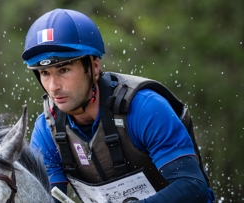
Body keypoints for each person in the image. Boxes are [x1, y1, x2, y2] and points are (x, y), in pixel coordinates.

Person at [22, 8, 215, 203]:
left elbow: (192, 187)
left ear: (94, 66)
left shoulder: (145, 108)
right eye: (45, 73)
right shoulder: (47, 131)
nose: (53, 87)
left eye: (64, 70)